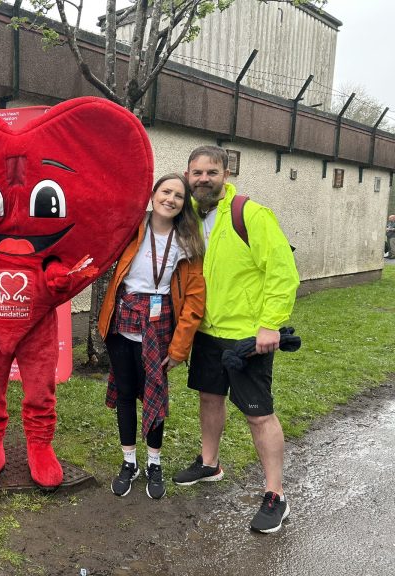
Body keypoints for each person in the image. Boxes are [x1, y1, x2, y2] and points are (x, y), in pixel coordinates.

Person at [172, 145, 299, 533]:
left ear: (226, 174)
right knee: (209, 398)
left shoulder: (250, 214)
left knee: (258, 415)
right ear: (188, 176)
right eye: (196, 173)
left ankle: (275, 494)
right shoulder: (187, 215)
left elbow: (282, 270)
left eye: (211, 172)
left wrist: (270, 324)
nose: (203, 179)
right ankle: (210, 463)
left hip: (247, 336)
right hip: (207, 332)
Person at [98, 174, 206, 499]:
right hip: (123, 323)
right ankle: (129, 461)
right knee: (127, 393)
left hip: (159, 328)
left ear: (184, 204)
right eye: (165, 191)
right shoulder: (132, 229)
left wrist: (178, 349)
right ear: (153, 194)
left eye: (178, 195)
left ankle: (154, 463)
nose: (170, 199)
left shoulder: (188, 243)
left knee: (154, 395)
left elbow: (195, 301)